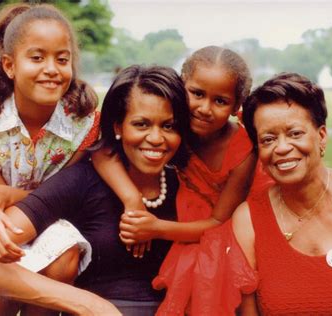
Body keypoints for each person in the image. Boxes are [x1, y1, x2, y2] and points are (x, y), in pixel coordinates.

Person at [0, 65, 193, 315]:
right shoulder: (84, 181)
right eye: (141, 124)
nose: (156, 138)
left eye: (169, 126)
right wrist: (89, 304)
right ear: (117, 126)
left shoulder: (189, 184)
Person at [0, 3, 100, 314]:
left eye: (62, 59)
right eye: (37, 58)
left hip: (46, 210)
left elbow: (67, 194)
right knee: (2, 250)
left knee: (64, 256)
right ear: (10, 66)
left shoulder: (84, 124)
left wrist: (17, 195)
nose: (51, 68)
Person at [92, 46, 271, 314]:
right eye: (197, 94)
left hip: (227, 227)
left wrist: (155, 228)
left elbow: (219, 223)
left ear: (237, 106)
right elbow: (102, 150)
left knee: (201, 268)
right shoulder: (170, 124)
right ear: (181, 85)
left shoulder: (242, 150)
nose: (204, 108)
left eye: (220, 101)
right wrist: (132, 200)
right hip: (189, 213)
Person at [220, 72, 332, 314]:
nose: (283, 148)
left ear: (321, 136)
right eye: (268, 139)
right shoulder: (248, 220)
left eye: (295, 133)